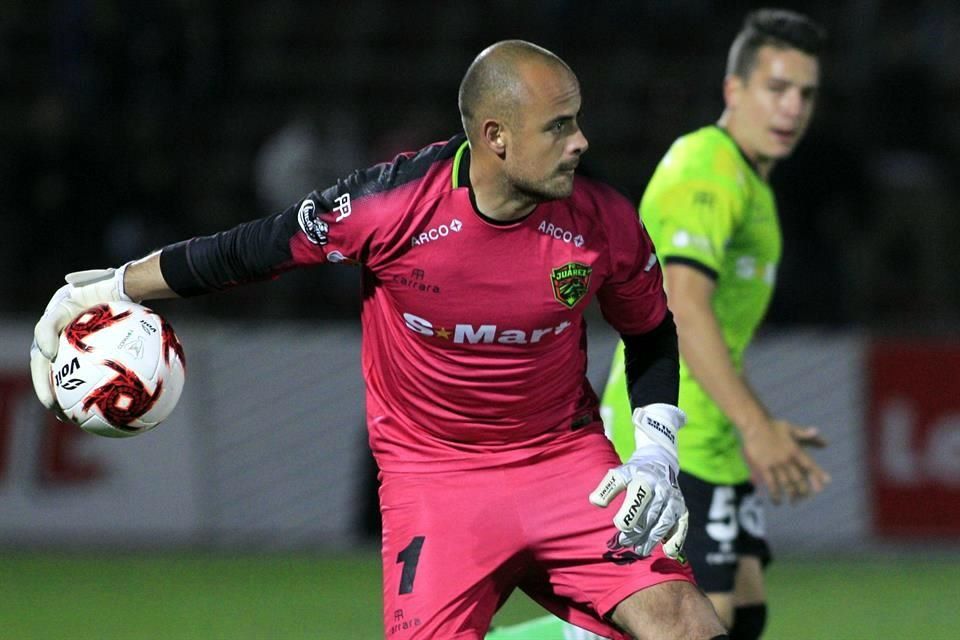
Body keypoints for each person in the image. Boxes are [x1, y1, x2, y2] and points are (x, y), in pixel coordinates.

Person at [30, 41, 728, 640]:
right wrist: (114, 286)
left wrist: (656, 456)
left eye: (577, 121)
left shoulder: (603, 220)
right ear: (495, 137)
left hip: (562, 463)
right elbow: (251, 249)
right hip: (434, 477)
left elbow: (652, 331)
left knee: (690, 626)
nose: (581, 141)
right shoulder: (389, 204)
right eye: (559, 125)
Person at [488, 9, 831, 640]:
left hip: (716, 439)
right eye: (776, 89)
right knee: (667, 625)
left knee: (739, 613)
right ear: (736, 91)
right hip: (675, 435)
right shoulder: (706, 169)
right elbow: (680, 304)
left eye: (805, 93)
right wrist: (756, 425)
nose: (793, 108)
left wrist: (748, 421)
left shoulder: (751, 185)